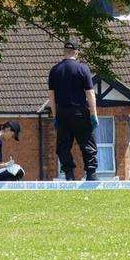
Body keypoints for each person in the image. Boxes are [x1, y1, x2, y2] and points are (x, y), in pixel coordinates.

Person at [48, 39, 99, 181]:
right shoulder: (83, 69)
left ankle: (69, 174)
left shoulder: (55, 70)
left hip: (62, 113)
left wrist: (55, 116)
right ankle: (91, 174)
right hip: (80, 112)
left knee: (63, 146)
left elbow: (51, 96)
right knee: (87, 143)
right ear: (76, 52)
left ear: (64, 52)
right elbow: (90, 93)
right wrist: (94, 114)